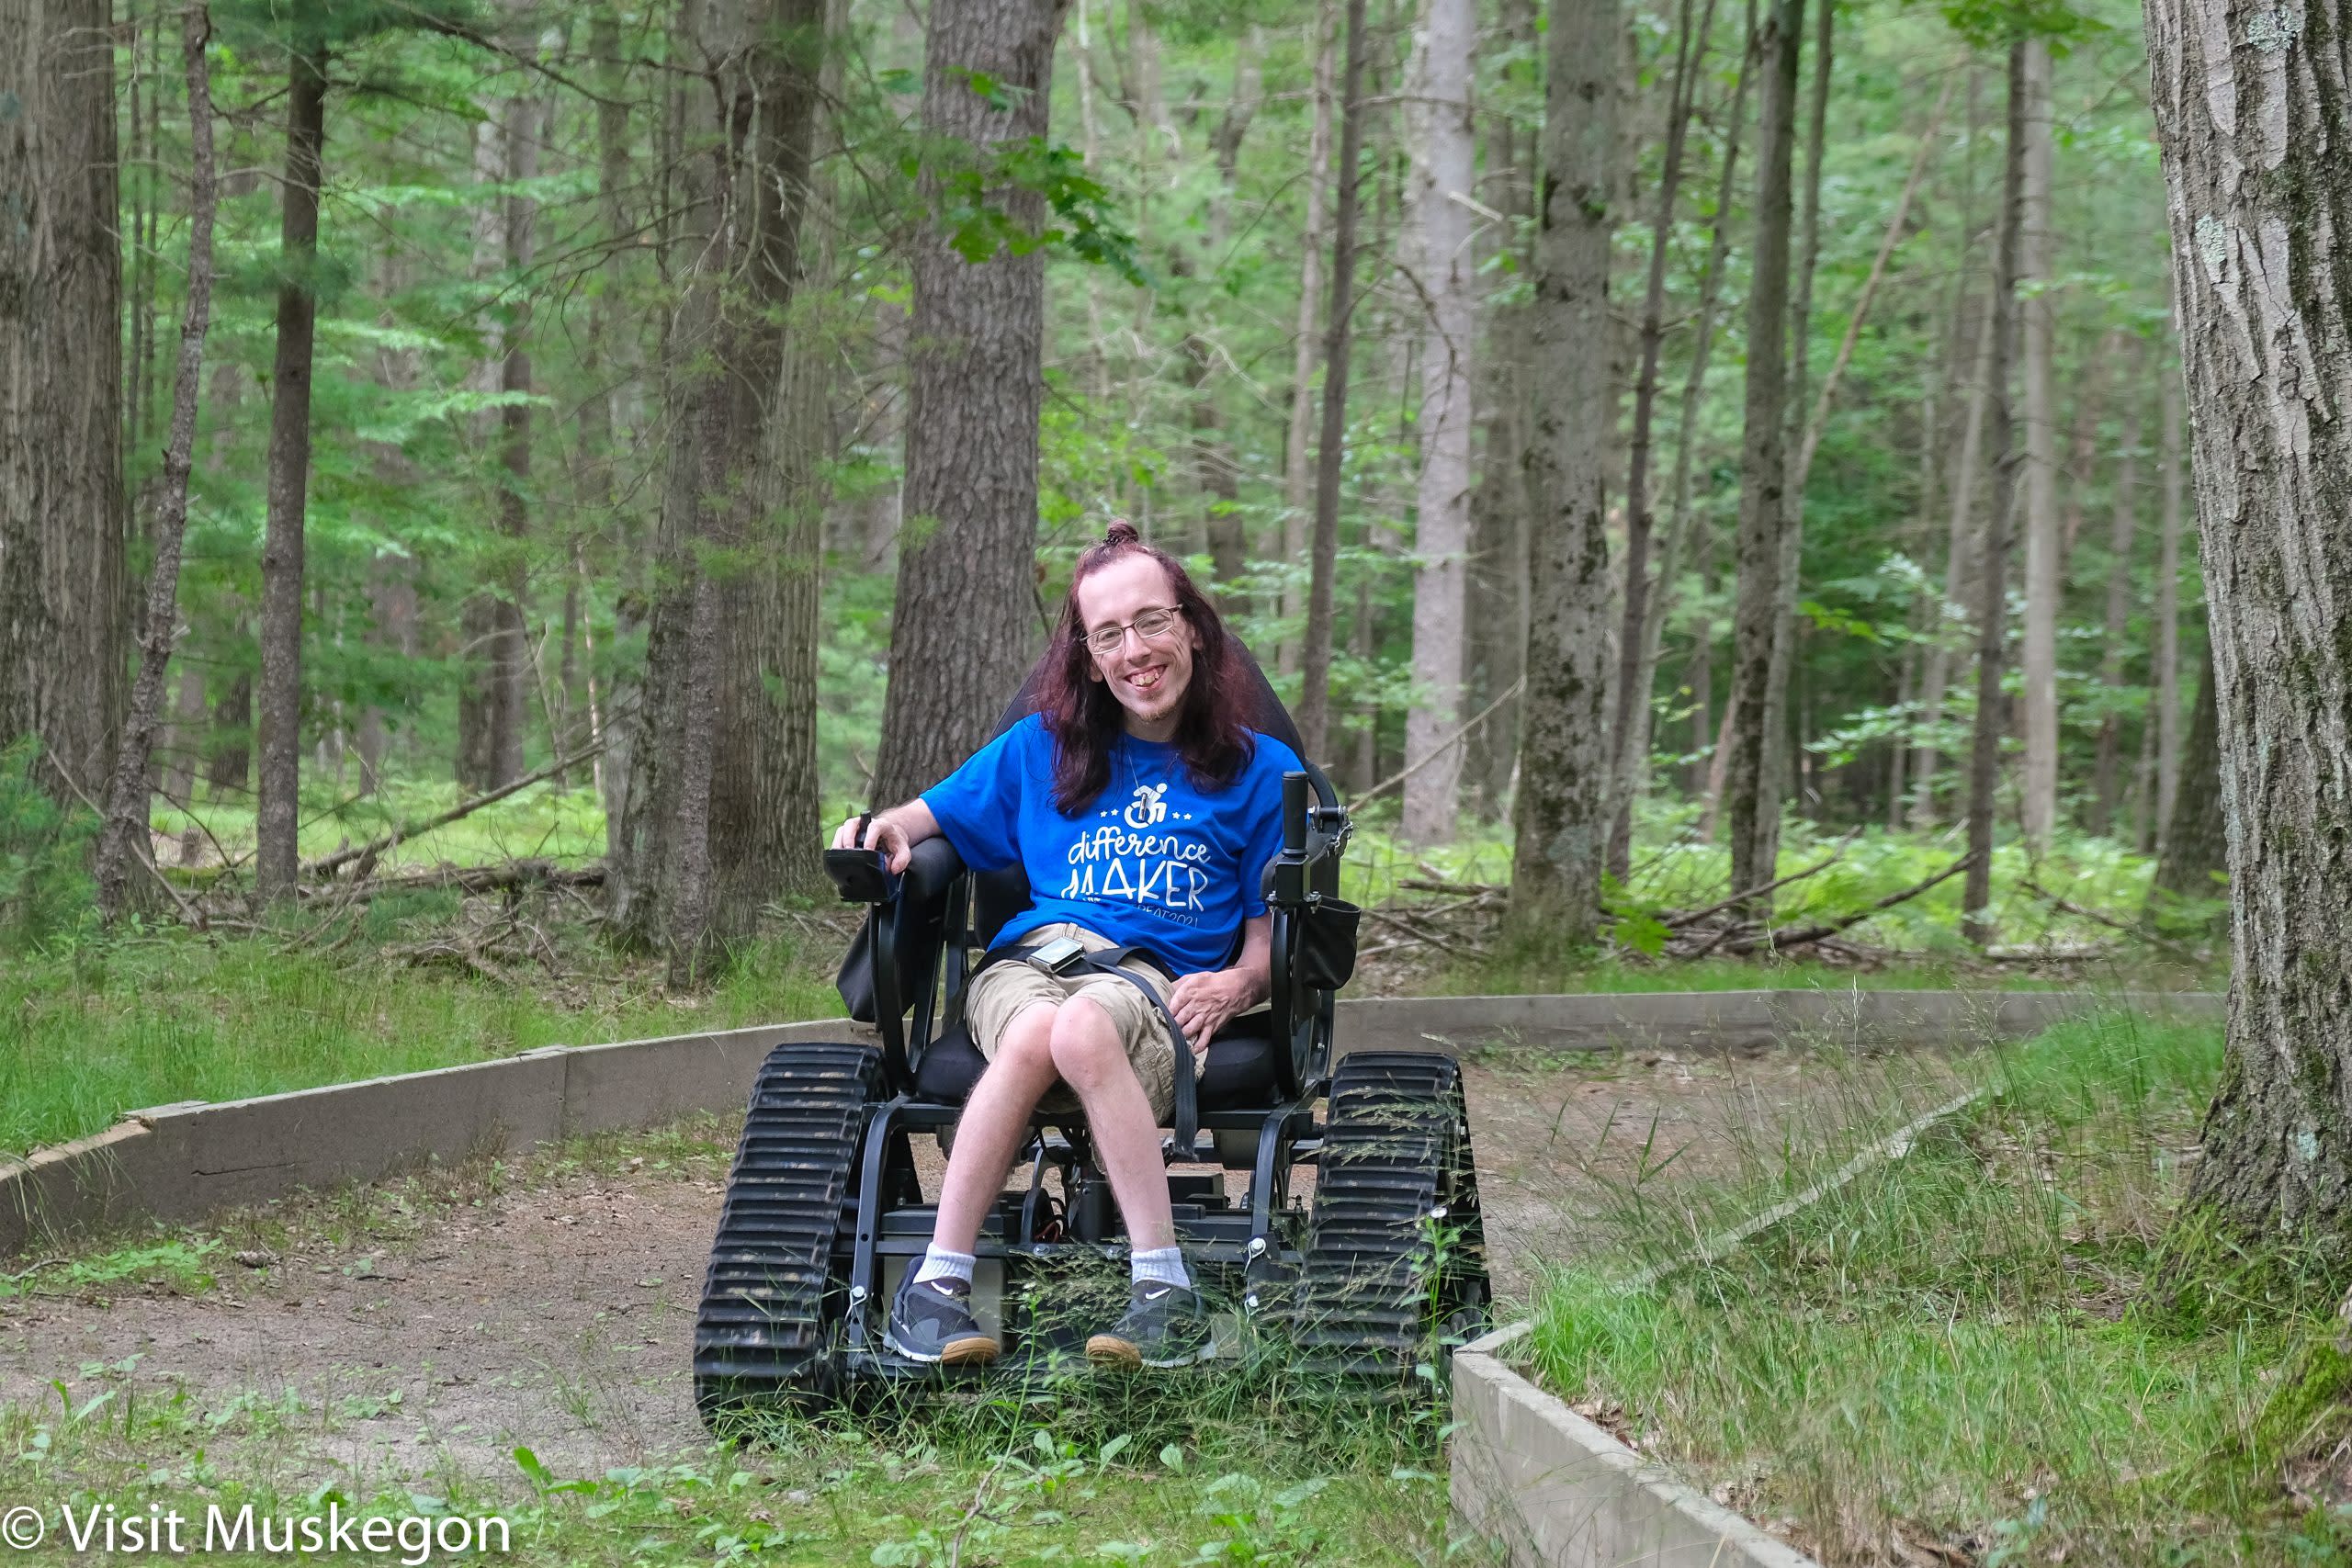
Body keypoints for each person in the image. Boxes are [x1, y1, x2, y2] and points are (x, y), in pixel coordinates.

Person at [831, 522, 1301, 1370]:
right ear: (1088, 657)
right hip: (1024, 967)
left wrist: (1233, 986)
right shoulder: (1039, 749)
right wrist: (879, 831)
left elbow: (1270, 948)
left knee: (1074, 1026)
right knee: (1045, 1023)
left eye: (1152, 622)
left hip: (1152, 987)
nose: (1136, 651)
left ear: (1191, 624)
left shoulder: (1261, 772)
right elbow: (918, 818)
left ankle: (1137, 1286)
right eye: (1109, 634)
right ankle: (956, 1292)